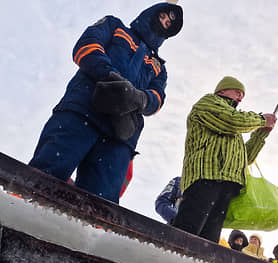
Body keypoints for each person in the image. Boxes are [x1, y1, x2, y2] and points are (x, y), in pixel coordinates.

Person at [28, 3, 183, 204]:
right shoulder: (114, 26)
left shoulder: (159, 69)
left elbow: (157, 98)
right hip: (81, 110)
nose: (164, 22)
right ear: (152, 11)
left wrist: (138, 97)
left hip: (119, 135)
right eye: (162, 16)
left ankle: (79, 235)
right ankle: (14, 228)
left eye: (169, 23)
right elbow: (86, 45)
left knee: (101, 206)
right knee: (44, 177)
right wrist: (109, 75)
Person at [171, 76, 277, 242]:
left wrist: (261, 134)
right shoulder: (209, 102)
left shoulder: (234, 129)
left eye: (243, 94)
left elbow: (245, 158)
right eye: (237, 92)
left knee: (209, 241)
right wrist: (262, 120)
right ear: (222, 90)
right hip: (205, 177)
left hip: (228, 185)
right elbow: (233, 120)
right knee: (188, 231)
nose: (240, 97)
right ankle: (168, 259)